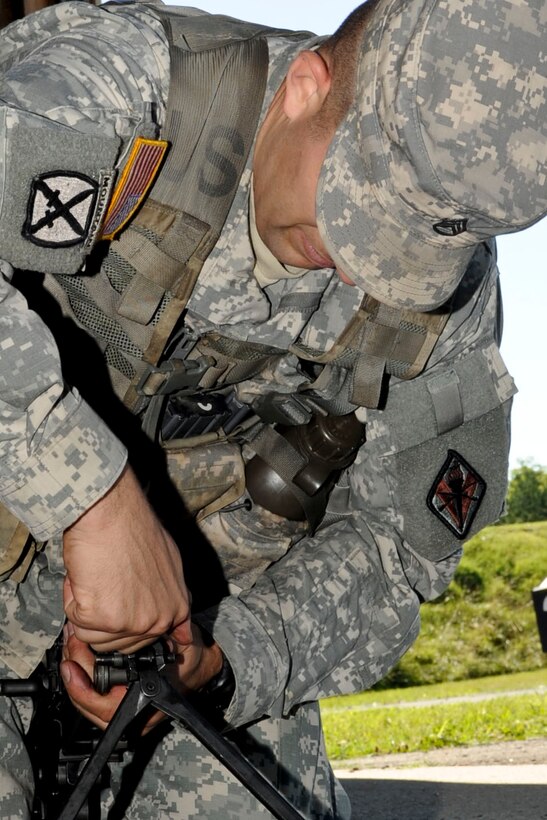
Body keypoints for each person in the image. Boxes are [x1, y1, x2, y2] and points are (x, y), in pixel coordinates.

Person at [0, 0, 545, 817]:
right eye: (361, 202)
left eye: (416, 251)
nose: (365, 270)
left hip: (197, 634)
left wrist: (224, 664)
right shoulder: (127, 83)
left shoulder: (452, 305)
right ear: (305, 83)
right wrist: (90, 500)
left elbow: (399, 553)